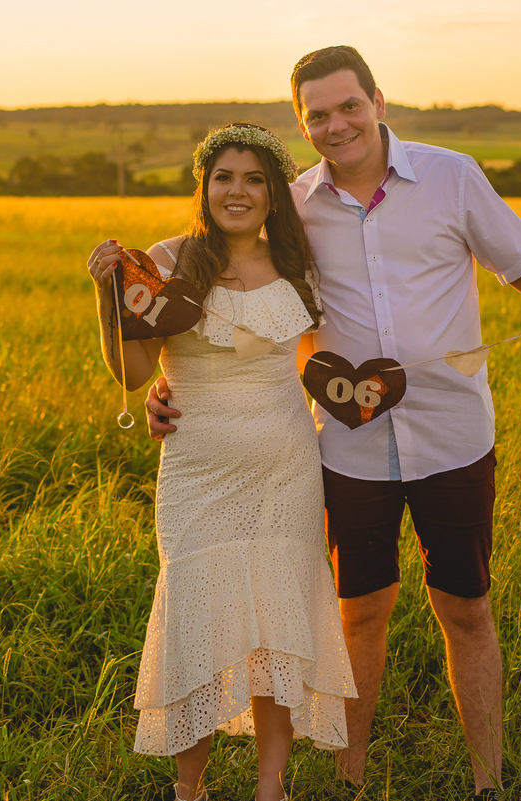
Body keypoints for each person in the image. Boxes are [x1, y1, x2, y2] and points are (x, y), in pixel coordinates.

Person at [148, 47, 521, 799]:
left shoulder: (451, 175)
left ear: (378, 100)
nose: (336, 124)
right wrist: (164, 380)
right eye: (317, 115)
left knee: (465, 607)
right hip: (348, 442)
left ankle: (487, 783)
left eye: (348, 106)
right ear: (302, 123)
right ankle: (350, 779)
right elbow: (225, 286)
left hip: (453, 434)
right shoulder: (294, 204)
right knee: (360, 608)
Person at [88, 122, 356, 801]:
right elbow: (134, 367)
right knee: (198, 620)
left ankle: (272, 785)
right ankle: (190, 788)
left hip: (286, 468)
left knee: (275, 626)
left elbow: (321, 355)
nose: (237, 191)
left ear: (273, 193)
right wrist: (105, 295)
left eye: (254, 178)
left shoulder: (297, 266)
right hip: (197, 471)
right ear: (203, 187)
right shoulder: (169, 260)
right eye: (224, 177)